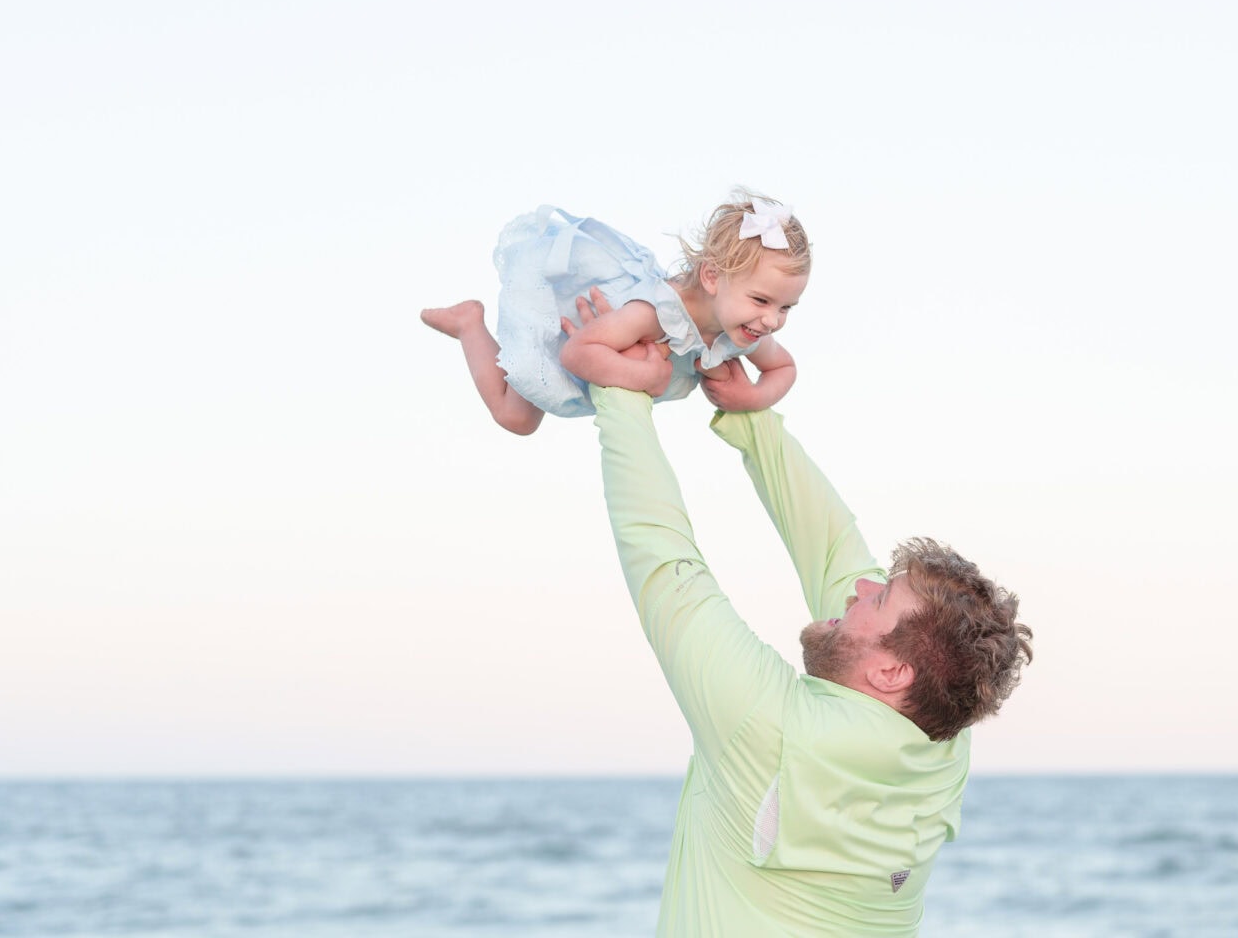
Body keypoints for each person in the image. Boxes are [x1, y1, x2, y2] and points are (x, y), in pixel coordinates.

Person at [572, 303, 1034, 937]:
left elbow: (666, 566)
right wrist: (752, 420)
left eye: (879, 599)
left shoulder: (771, 728)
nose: (860, 587)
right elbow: (834, 545)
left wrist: (621, 395)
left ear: (893, 671)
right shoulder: (942, 734)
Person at [419, 191, 810, 434]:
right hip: (576, 322)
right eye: (761, 301)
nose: (773, 320)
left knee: (519, 421)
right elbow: (576, 353)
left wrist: (754, 397)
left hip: (604, 343)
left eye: (785, 307)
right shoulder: (655, 313)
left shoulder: (742, 330)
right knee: (515, 418)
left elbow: (785, 368)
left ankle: (469, 323)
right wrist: (644, 376)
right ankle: (469, 323)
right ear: (711, 277)